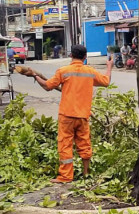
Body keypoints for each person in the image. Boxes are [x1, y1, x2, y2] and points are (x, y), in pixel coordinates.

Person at [30, 45, 113, 183]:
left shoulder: (64, 71)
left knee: (65, 145)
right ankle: (86, 174)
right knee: (85, 144)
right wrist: (109, 66)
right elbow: (106, 81)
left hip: (67, 115)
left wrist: (35, 76)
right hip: (83, 116)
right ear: (85, 57)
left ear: (70, 55)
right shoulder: (90, 72)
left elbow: (47, 86)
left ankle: (66, 177)